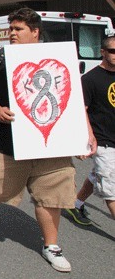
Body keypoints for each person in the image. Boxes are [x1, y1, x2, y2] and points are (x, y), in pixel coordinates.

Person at [0, 7, 96, 273]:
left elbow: (75, 99)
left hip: (51, 147)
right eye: (10, 29)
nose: (12, 34)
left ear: (35, 32)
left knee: (51, 197)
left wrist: (84, 134)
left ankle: (51, 246)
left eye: (18, 29)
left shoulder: (57, 58)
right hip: (5, 146)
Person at [66, 35, 115, 225]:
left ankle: (75, 203)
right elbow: (81, 110)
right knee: (111, 190)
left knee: (98, 174)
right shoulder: (90, 79)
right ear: (102, 52)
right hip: (103, 141)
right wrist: (89, 135)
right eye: (112, 51)